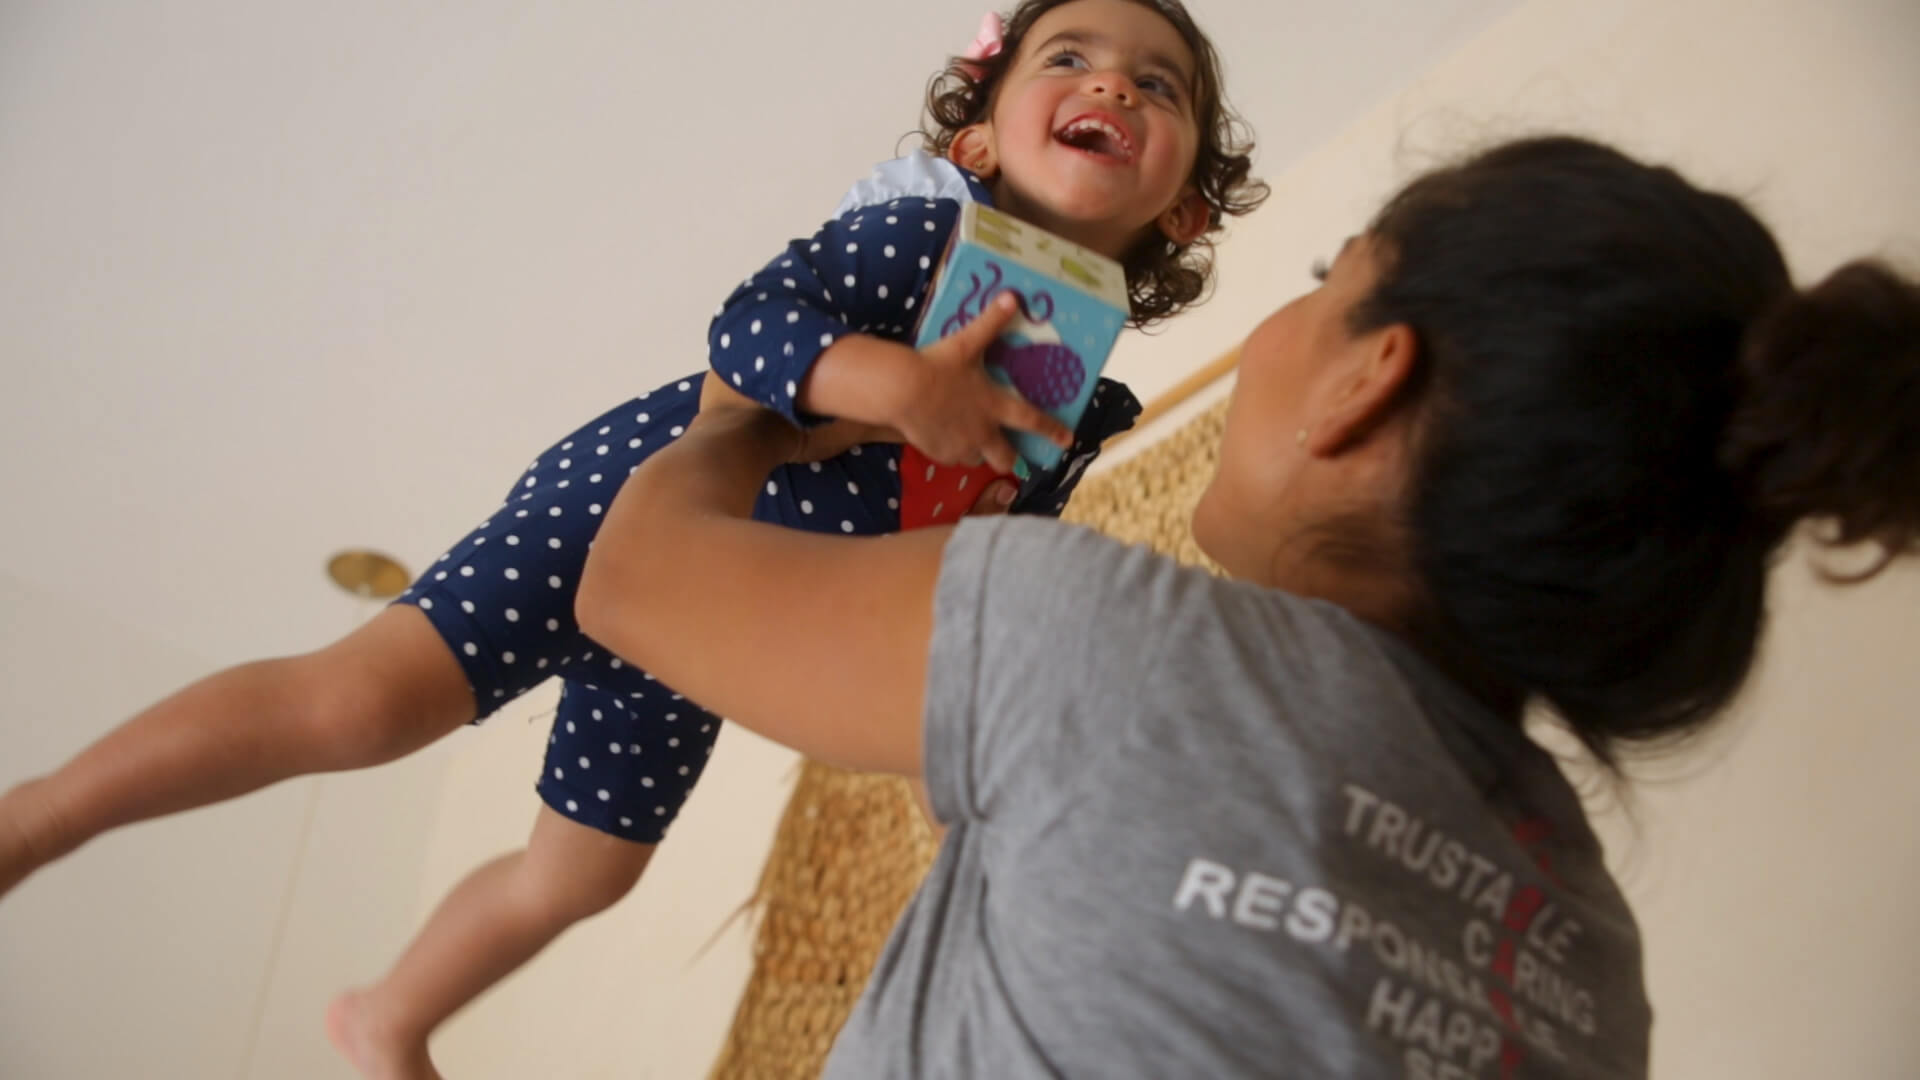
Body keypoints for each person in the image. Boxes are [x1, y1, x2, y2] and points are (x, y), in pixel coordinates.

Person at [0, 1, 1267, 1076]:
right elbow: (750, 328)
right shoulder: (918, 236)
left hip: (718, 621)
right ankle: (41, 817)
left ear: (1187, 211)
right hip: (633, 501)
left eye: (1157, 84)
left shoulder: (1080, 381)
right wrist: (892, 386)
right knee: (364, 707)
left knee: (584, 874)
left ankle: (389, 1012)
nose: (1113, 80)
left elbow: (989, 553)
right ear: (977, 133)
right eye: (1070, 57)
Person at [575, 134, 1920, 1077]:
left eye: (1321, 278)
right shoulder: (1588, 965)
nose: (1281, 330)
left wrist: (800, 394)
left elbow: (633, 578)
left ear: (1367, 380)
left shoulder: (1106, 644)